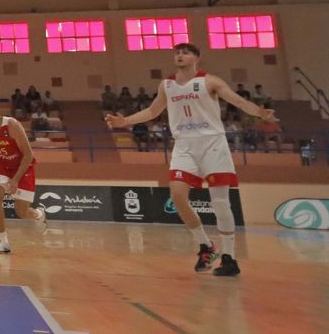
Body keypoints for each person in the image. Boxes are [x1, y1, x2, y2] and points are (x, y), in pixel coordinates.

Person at [107, 43, 277, 277]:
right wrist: (124, 121)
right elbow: (152, 111)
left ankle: (229, 258)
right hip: (184, 144)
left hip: (212, 143)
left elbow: (237, 101)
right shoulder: (166, 85)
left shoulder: (210, 81)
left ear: (197, 58)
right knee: (177, 195)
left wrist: (259, 112)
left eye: (185, 52)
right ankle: (206, 246)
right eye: (177, 52)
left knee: (220, 203)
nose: (179, 55)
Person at [0, 96, 48, 253]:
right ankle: (3, 241)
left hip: (23, 166)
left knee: (22, 212)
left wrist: (15, 180)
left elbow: (28, 154)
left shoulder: (11, 124)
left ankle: (39, 214)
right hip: (2, 165)